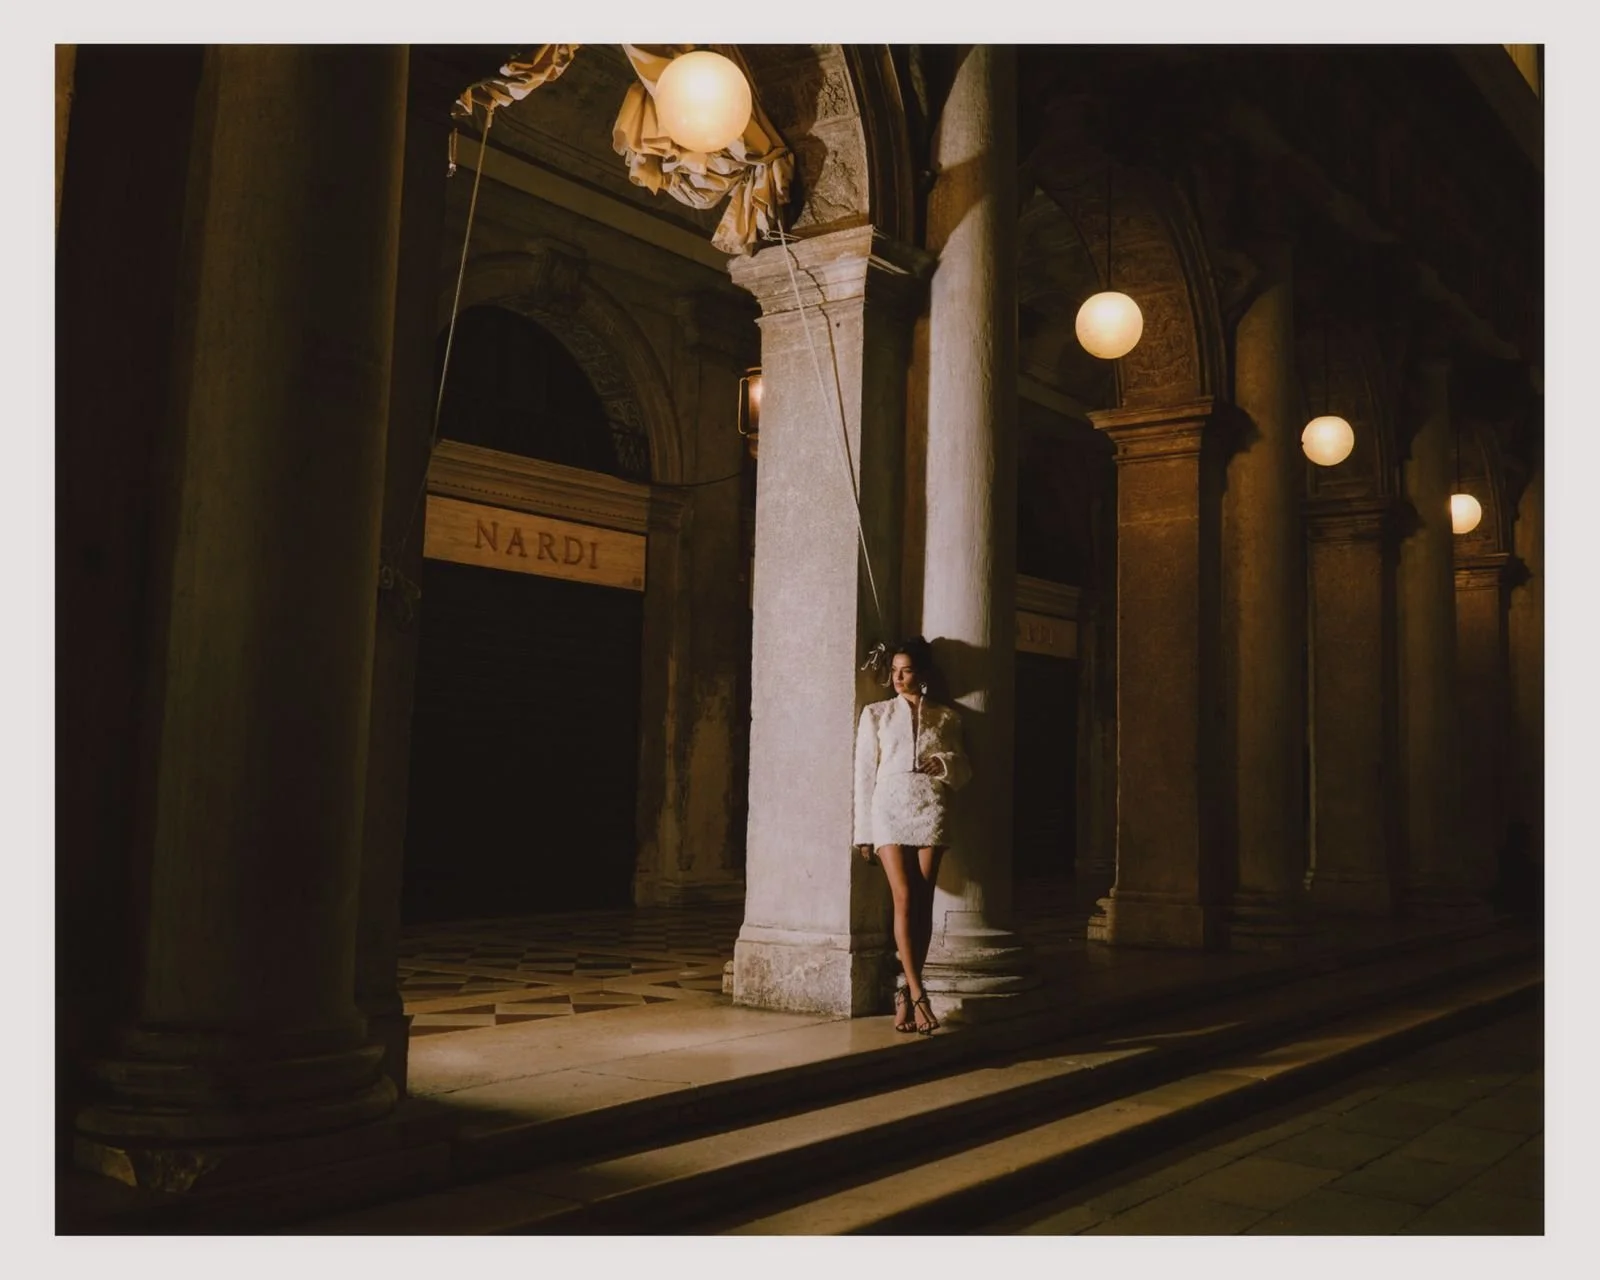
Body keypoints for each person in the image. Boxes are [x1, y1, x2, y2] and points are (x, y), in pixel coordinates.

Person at [853, 637, 971, 1035]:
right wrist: (863, 832)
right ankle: (920, 993)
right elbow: (864, 775)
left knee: (922, 902)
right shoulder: (876, 714)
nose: (898, 677)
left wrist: (943, 762)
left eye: (906, 670)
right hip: (888, 807)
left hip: (930, 807)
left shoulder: (947, 717)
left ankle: (905, 991)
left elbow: (963, 769)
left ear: (921, 674)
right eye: (894, 670)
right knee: (903, 898)